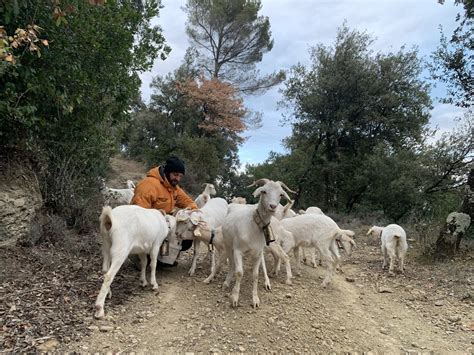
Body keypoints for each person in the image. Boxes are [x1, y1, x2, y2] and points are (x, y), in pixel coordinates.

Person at [131, 156, 198, 264]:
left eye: (180, 176)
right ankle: (138, 256)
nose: (178, 179)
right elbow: (138, 213)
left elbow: (187, 201)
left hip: (164, 225)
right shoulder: (148, 185)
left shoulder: (173, 187)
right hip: (147, 226)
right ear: (167, 172)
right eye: (175, 175)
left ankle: (163, 258)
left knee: (186, 238)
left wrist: (194, 212)